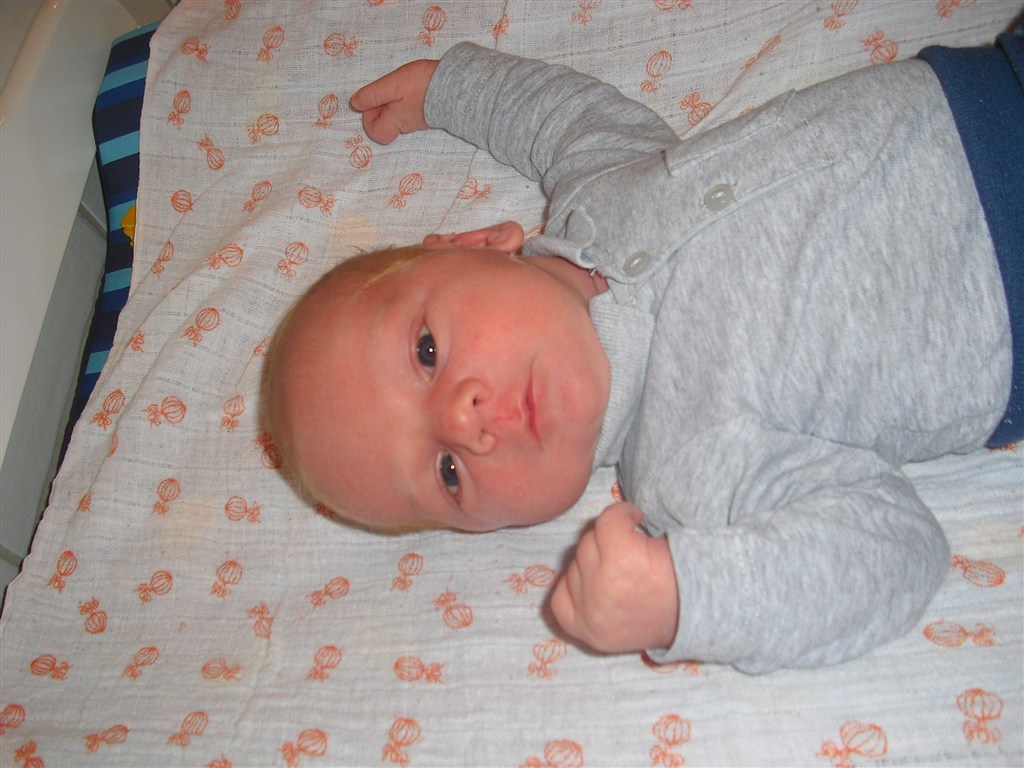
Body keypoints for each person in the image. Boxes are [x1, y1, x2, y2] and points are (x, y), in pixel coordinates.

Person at [268, 31, 1022, 673]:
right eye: (447, 473)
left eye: (428, 350)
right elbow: (892, 547)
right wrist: (685, 598)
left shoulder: (597, 191)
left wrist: (450, 89)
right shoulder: (690, 466)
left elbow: (562, 116)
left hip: (988, 88)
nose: (465, 422)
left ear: (477, 244)